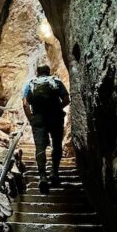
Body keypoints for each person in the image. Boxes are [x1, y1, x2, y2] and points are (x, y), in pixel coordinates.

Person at [22, 64, 70, 193]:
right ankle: (54, 172)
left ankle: (42, 176)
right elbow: (66, 99)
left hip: (38, 117)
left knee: (40, 147)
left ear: (37, 72)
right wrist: (57, 108)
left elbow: (25, 104)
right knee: (57, 144)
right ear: (49, 72)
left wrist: (31, 119)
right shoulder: (56, 81)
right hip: (55, 117)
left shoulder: (30, 83)